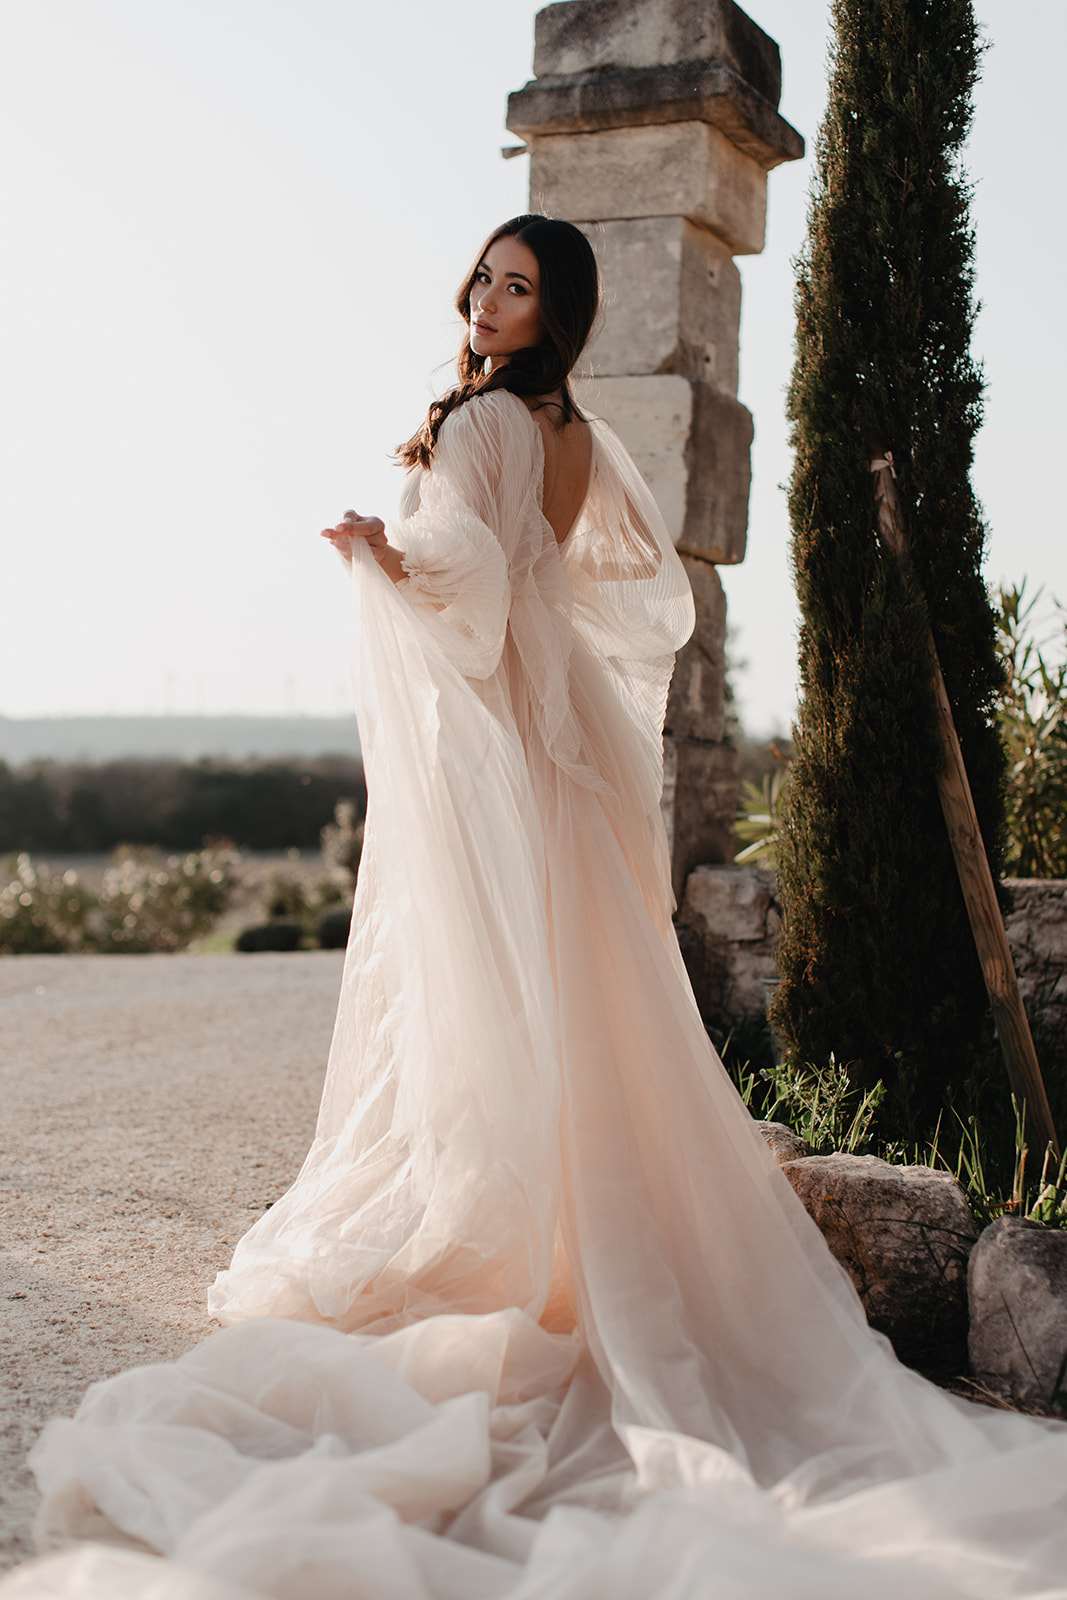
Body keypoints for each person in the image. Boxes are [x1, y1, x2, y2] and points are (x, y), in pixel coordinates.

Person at [8, 215, 1067, 1600]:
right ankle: (599, 1243)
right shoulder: (572, 430)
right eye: (486, 278)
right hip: (571, 746)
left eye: (518, 286)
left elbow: (475, 598)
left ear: (554, 308)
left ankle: (526, 1244)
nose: (490, 300)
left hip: (510, 742)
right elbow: (611, 588)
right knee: (587, 996)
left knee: (498, 986)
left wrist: (374, 555)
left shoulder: (483, 423)